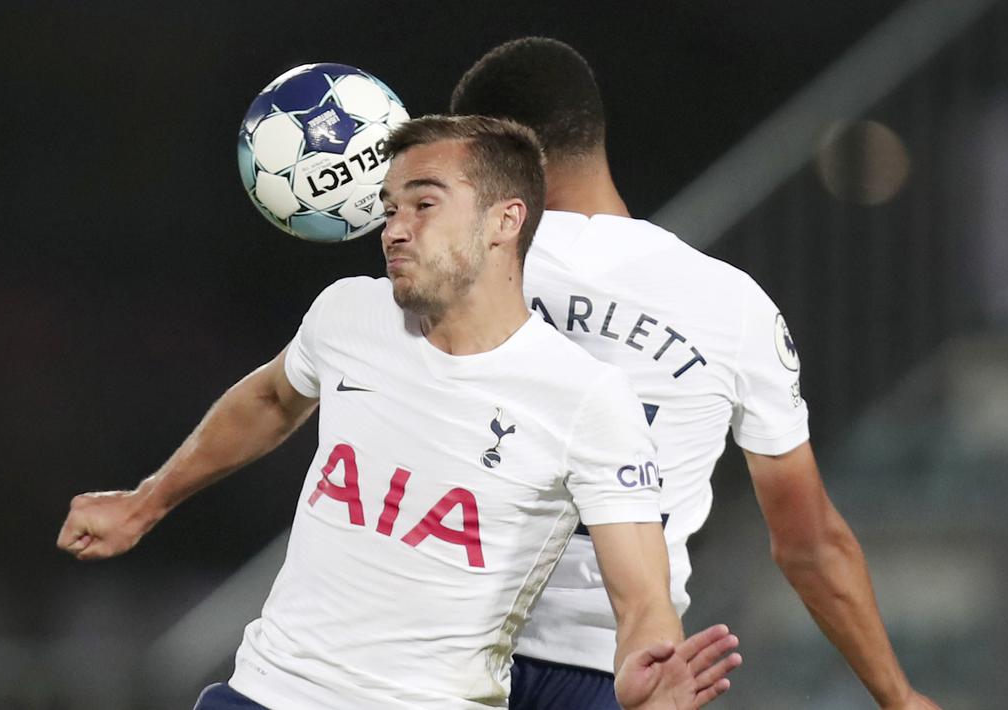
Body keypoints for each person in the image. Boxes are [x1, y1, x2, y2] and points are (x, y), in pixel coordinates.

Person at [56, 115, 740, 710]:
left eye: (424, 204)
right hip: (265, 695)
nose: (394, 230)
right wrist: (148, 501)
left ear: (505, 220)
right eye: (388, 209)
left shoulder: (585, 396)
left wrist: (642, 670)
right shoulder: (350, 313)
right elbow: (270, 398)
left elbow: (641, 594)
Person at [451, 38, 939, 710]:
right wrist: (898, 696)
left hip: (438, 658)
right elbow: (808, 544)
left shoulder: (449, 279)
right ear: (593, 135)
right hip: (623, 675)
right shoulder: (730, 305)